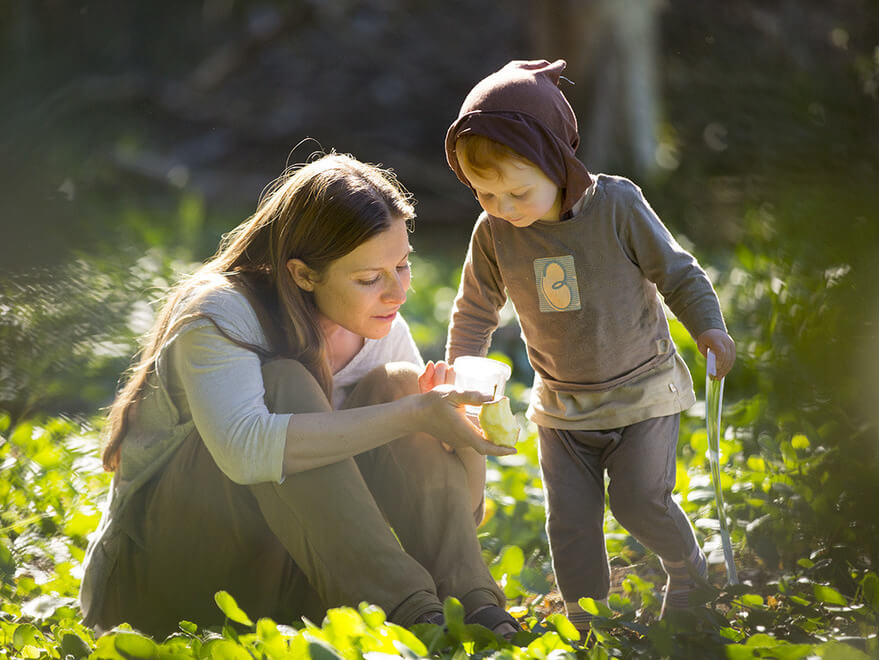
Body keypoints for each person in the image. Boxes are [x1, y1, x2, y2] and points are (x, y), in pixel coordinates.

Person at [78, 151, 523, 639]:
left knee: (397, 382)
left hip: (299, 574)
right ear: (303, 274)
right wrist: (413, 414)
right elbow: (247, 453)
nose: (397, 293)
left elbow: (463, 509)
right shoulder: (222, 314)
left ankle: (475, 609)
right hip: (164, 587)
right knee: (286, 383)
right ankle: (411, 615)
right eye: (370, 278)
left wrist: (467, 442)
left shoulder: (378, 328)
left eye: (402, 265)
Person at [442, 60, 736, 629]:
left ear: (557, 161)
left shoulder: (617, 207)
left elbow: (678, 273)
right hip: (562, 403)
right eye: (486, 194)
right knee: (569, 520)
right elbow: (476, 307)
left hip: (642, 390)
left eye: (517, 191)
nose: (503, 207)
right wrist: (462, 376)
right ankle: (587, 616)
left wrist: (708, 326)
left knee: (638, 500)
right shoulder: (495, 234)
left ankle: (687, 567)